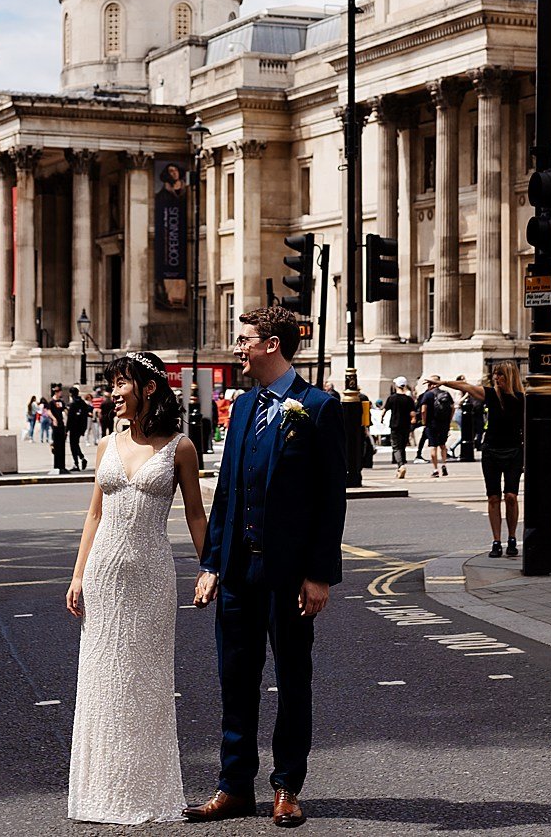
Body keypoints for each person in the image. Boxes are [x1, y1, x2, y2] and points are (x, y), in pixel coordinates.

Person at [184, 307, 344, 829]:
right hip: (236, 571)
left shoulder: (318, 407)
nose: (238, 347)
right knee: (236, 680)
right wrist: (211, 562)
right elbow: (228, 489)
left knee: (292, 679)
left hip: (289, 573)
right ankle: (234, 787)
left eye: (245, 339)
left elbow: (330, 501)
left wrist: (319, 574)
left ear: (272, 345)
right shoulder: (246, 404)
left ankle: (286, 787)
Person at [65, 351, 208, 824]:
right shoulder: (106, 445)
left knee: (143, 683)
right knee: (102, 680)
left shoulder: (180, 447)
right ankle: (100, 792)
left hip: (150, 575)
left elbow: (194, 513)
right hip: (105, 572)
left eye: (120, 384)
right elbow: (94, 513)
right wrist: (79, 573)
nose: (112, 395)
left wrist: (210, 566)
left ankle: (143, 791)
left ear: (148, 388)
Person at [441, 363, 526, 558]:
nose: (497, 379)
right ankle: (496, 541)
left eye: (501, 375)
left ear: (510, 377)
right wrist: (444, 382)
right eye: (495, 375)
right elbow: (466, 387)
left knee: (511, 497)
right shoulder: (490, 394)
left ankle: (512, 537)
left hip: (514, 451)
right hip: (491, 451)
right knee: (493, 497)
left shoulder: (521, 399)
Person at [418, 378, 455, 478]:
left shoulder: (428, 394)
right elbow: (453, 407)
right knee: (443, 445)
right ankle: (444, 464)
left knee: (433, 446)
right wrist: (449, 420)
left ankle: (435, 469)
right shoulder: (446, 393)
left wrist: (424, 421)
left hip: (432, 424)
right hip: (444, 424)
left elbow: (423, 410)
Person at [382, 379, 414, 480]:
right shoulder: (409, 399)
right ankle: (402, 464)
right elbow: (412, 414)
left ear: (396, 385)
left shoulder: (392, 398)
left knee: (396, 446)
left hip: (395, 424)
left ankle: (400, 465)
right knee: (403, 446)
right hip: (405, 425)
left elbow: (384, 410)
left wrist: (381, 418)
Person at [67, 386, 91, 472]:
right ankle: (82, 458)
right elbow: (86, 415)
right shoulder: (83, 403)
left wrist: (66, 430)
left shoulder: (73, 404)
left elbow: (70, 418)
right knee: (76, 444)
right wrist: (83, 429)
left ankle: (76, 463)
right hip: (80, 427)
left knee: (73, 445)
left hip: (73, 427)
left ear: (71, 394)